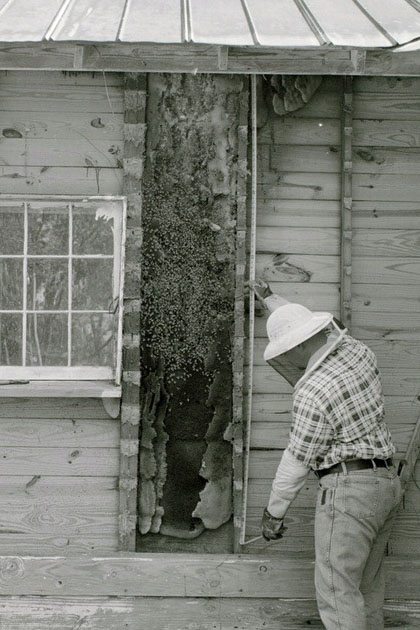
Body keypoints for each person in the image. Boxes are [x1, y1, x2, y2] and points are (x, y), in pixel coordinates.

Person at [252, 279, 402, 630]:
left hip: (350, 495)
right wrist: (272, 299)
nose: (287, 355)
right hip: (386, 485)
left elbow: (297, 460)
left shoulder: (313, 391)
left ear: (299, 344)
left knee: (337, 593)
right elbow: (309, 328)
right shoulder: (358, 351)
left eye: (288, 348)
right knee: (367, 588)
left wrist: (273, 513)